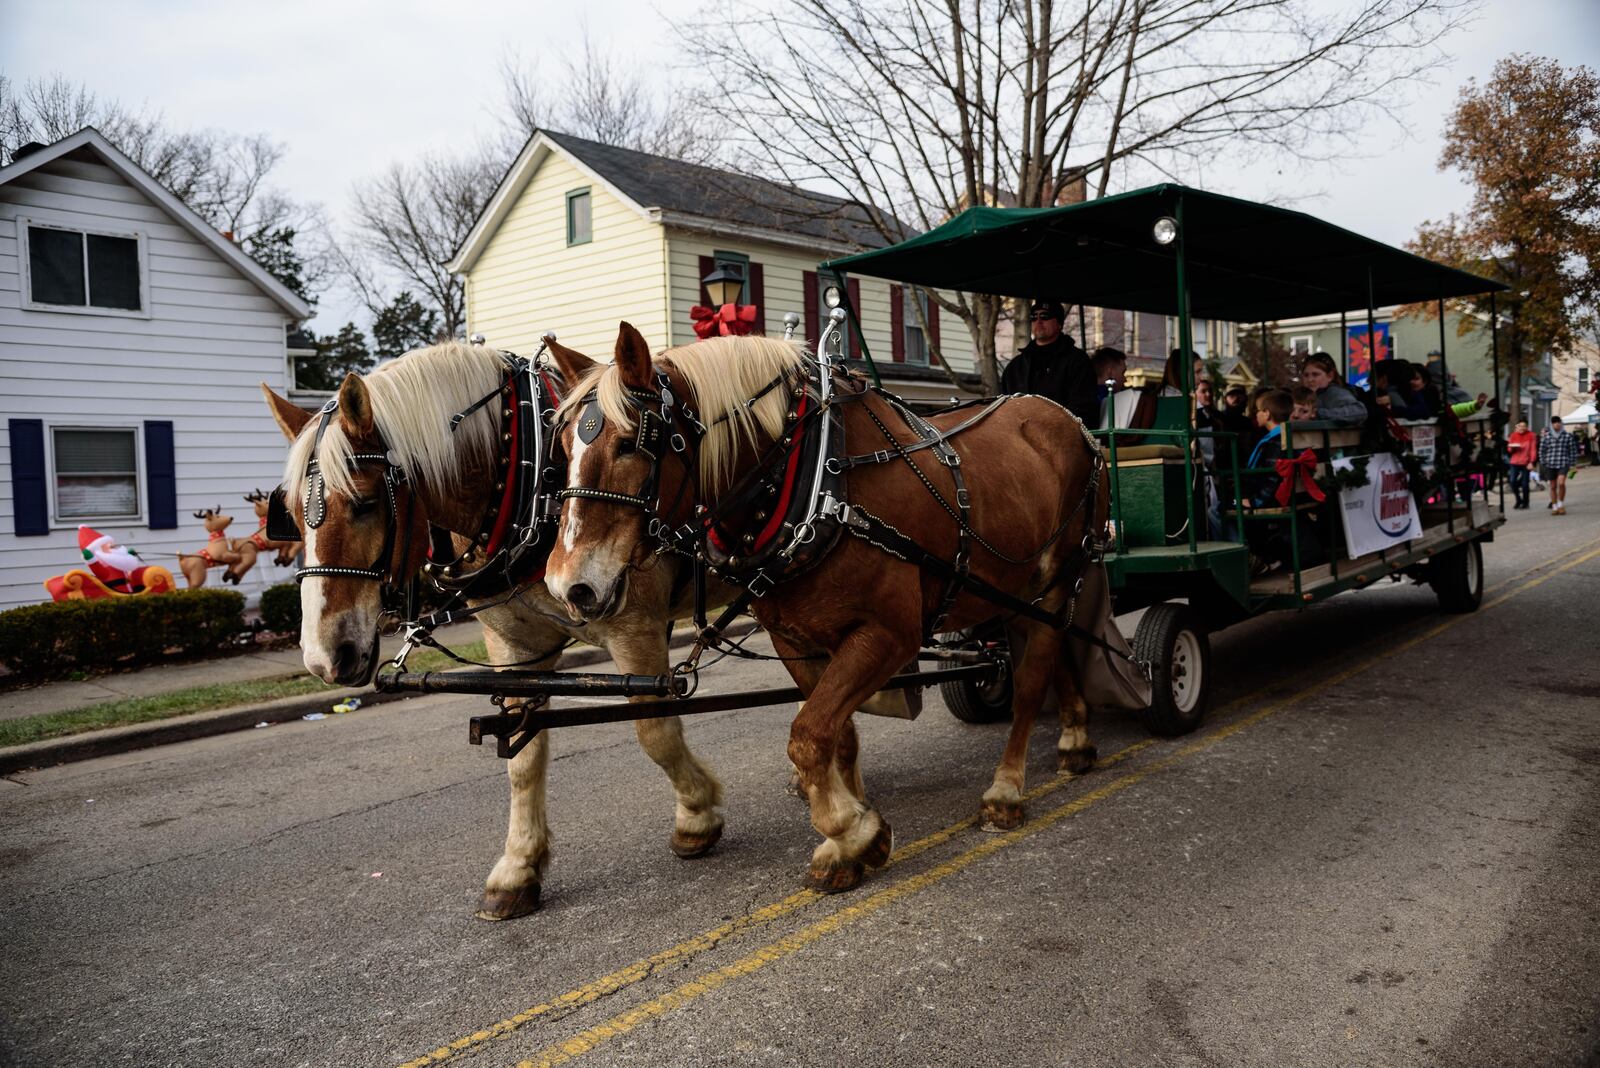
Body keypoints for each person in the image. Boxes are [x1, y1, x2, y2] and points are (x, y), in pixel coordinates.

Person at [1000, 299, 1098, 425]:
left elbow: (1083, 408)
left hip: (1061, 437)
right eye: (1034, 317)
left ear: (1059, 323)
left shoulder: (1077, 361)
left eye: (1045, 316)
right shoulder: (1015, 367)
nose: (1038, 321)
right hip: (1020, 439)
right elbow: (1003, 408)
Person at [1298, 353, 1366, 423]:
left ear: (1330, 376)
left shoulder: (1334, 392)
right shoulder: (1306, 395)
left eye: (1315, 375)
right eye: (1306, 375)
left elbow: (1359, 411)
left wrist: (1318, 414)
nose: (1310, 380)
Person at [1539, 416, 1578, 515]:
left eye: (1558, 422)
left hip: (1563, 463)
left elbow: (1573, 450)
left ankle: (1561, 504)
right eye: (1554, 422)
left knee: (1561, 483)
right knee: (1552, 486)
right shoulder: (1546, 437)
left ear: (1561, 423)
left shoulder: (1567, 436)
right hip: (1550, 463)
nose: (1557, 424)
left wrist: (1573, 464)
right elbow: (1541, 451)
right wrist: (1543, 462)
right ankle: (1554, 506)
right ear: (1551, 424)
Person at [1506, 419, 1538, 509]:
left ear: (1527, 427)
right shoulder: (1513, 435)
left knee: (1524, 484)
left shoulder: (1531, 435)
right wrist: (1512, 448)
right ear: (1517, 427)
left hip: (1526, 462)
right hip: (1514, 462)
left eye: (1524, 426)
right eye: (1520, 426)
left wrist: (1532, 462)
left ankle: (1526, 502)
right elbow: (1509, 449)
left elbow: (1533, 450)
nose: (1522, 428)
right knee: (1512, 481)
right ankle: (1518, 499)